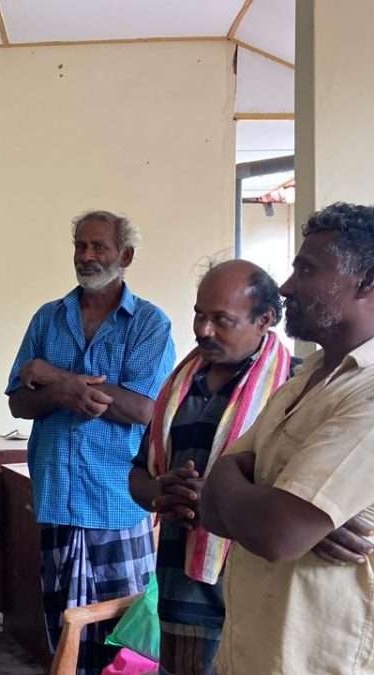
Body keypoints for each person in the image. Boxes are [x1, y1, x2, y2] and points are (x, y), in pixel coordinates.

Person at [201, 202, 374, 674]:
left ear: (367, 280)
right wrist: (250, 491)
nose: (286, 287)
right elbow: (212, 503)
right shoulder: (306, 381)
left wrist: (257, 496)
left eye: (306, 269)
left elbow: (277, 534)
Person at [6, 210, 176, 674]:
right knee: (64, 634)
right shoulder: (48, 318)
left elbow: (143, 409)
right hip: (58, 500)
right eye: (80, 246)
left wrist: (54, 376)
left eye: (98, 246)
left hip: (118, 500)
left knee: (126, 638)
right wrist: (64, 391)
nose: (86, 255)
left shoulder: (149, 323)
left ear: (126, 256)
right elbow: (19, 402)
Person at [128, 259, 295, 675]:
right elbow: (138, 475)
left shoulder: (294, 389)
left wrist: (223, 499)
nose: (203, 330)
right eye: (199, 315)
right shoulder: (179, 387)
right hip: (182, 592)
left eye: (221, 320)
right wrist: (161, 493)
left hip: (257, 593)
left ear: (264, 320)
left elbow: (300, 499)